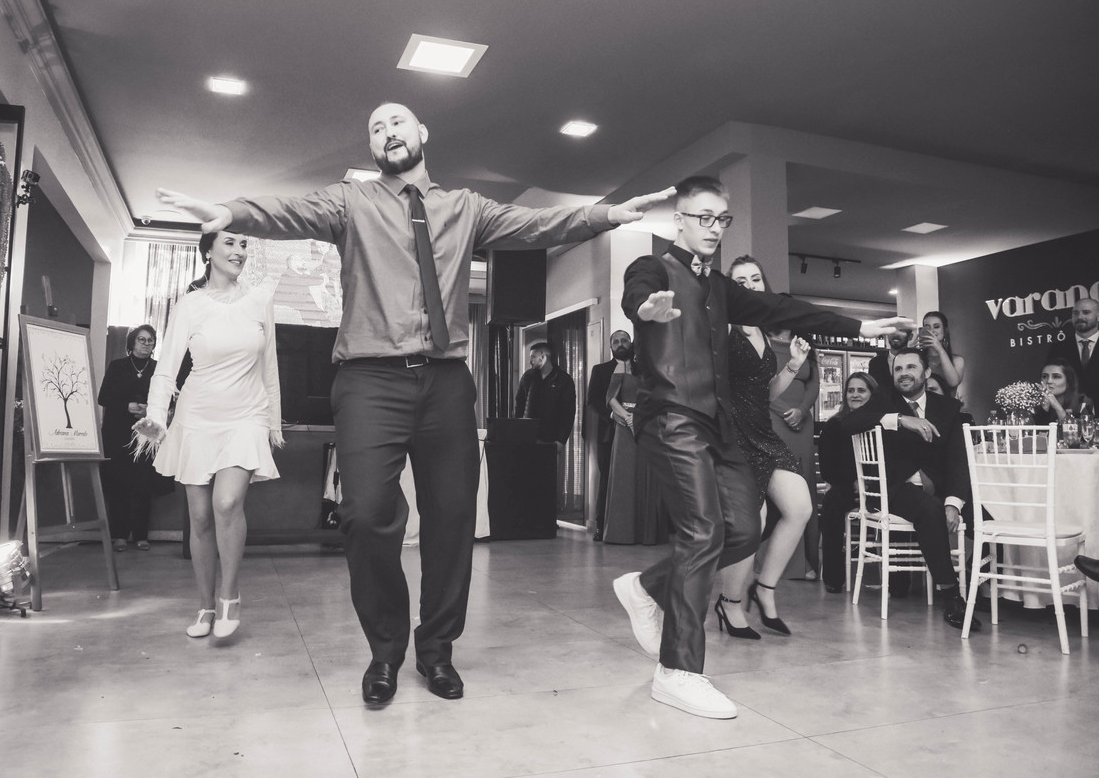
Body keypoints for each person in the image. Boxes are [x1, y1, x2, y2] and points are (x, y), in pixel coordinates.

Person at [156, 102, 674, 704]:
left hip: (446, 381)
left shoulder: (465, 207)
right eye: (375, 128)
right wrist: (233, 212)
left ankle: (437, 650)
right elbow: (288, 211)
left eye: (396, 122)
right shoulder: (351, 202)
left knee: (452, 518)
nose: (387, 132)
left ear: (422, 133)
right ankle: (385, 650)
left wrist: (606, 214)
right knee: (364, 514)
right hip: (368, 380)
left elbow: (536, 225)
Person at [610, 174, 910, 719]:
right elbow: (637, 295)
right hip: (671, 416)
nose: (713, 228)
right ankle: (678, 671)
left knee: (744, 530)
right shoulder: (652, 268)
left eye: (721, 219)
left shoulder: (721, 288)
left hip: (720, 425)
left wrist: (861, 327)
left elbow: (782, 310)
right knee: (702, 530)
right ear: (679, 219)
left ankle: (646, 587)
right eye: (703, 217)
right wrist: (643, 310)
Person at [132, 231, 283, 640]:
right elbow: (166, 369)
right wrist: (157, 418)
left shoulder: (260, 300)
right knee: (199, 517)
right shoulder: (190, 305)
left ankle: (229, 597)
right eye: (230, 243)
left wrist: (273, 422)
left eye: (244, 245)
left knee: (227, 502)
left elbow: (269, 366)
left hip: (246, 415)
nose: (239, 252)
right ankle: (204, 605)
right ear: (208, 251)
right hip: (197, 416)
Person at [712, 257, 819, 639]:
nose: (750, 285)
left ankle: (765, 588)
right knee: (751, 524)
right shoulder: (722, 326)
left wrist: (793, 365)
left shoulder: (761, 329)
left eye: (756, 278)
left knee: (800, 507)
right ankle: (729, 602)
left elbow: (766, 394)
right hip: (733, 436)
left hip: (763, 433)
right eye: (740, 281)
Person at [839, 347, 980, 631]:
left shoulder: (947, 407)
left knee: (986, 518)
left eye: (911, 367)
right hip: (894, 489)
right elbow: (849, 423)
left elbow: (958, 460)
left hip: (939, 489)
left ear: (926, 372)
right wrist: (899, 419)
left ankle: (986, 587)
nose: (904, 374)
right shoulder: (884, 399)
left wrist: (954, 503)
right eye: (898, 369)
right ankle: (951, 594)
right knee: (930, 510)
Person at [97, 324, 161, 553]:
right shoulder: (117, 366)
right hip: (117, 432)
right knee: (118, 483)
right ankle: (120, 535)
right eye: (141, 339)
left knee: (143, 483)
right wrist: (127, 405)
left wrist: (148, 410)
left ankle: (141, 535)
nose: (146, 344)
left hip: (146, 433)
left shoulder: (158, 369)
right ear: (132, 342)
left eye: (150, 340)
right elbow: (103, 397)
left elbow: (169, 399)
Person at [767, 315, 821, 580]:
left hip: (803, 422)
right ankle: (789, 563)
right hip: (772, 418)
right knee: (782, 486)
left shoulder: (805, 345)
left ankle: (809, 558)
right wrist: (785, 411)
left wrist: (801, 410)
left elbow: (814, 383)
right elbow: (759, 386)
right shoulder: (763, 342)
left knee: (805, 483)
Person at [817, 371, 878, 593]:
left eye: (861, 390)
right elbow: (827, 469)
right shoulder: (834, 425)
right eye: (850, 390)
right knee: (832, 504)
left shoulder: (882, 422)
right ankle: (833, 578)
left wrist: (869, 484)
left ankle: (899, 582)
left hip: (879, 488)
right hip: (846, 487)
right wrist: (852, 482)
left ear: (872, 394)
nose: (855, 394)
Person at [601, 357, 668, 545]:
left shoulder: (657, 368)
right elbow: (610, 398)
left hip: (649, 426)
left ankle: (646, 533)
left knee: (648, 475)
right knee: (625, 476)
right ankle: (621, 533)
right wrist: (627, 417)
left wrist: (639, 418)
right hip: (624, 427)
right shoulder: (621, 367)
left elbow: (662, 399)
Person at [587, 330, 633, 540]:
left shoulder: (642, 368)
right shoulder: (600, 370)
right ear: (610, 346)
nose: (620, 344)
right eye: (616, 341)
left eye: (624, 340)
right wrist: (613, 415)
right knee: (607, 478)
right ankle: (601, 526)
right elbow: (593, 400)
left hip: (637, 432)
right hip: (609, 432)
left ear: (630, 343)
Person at [1046, 298, 1099, 410]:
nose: (1080, 317)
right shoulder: (1058, 348)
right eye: (1075, 313)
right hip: (1068, 414)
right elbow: (1050, 383)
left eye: (1086, 312)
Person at [515, 341, 576, 446]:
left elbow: (568, 413)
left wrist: (561, 440)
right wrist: (518, 432)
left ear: (543, 357)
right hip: (527, 438)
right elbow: (519, 405)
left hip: (551, 440)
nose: (530, 361)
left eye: (533, 357)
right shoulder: (528, 377)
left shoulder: (564, 380)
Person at [919, 311, 967, 402]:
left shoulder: (957, 360)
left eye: (936, 326)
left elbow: (953, 382)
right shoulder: (919, 359)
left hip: (947, 407)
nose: (932, 331)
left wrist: (939, 349)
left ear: (944, 331)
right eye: (927, 327)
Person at [1034, 357, 1094, 425]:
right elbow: (1037, 430)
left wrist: (1057, 407)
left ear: (1068, 382)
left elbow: (1076, 430)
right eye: (1044, 376)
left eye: (1056, 377)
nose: (1049, 381)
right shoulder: (1034, 403)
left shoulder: (1083, 402)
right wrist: (1044, 409)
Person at [868, 325, 914, 392]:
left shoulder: (916, 362)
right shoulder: (875, 363)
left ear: (910, 336)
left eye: (901, 331)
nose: (896, 335)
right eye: (892, 331)